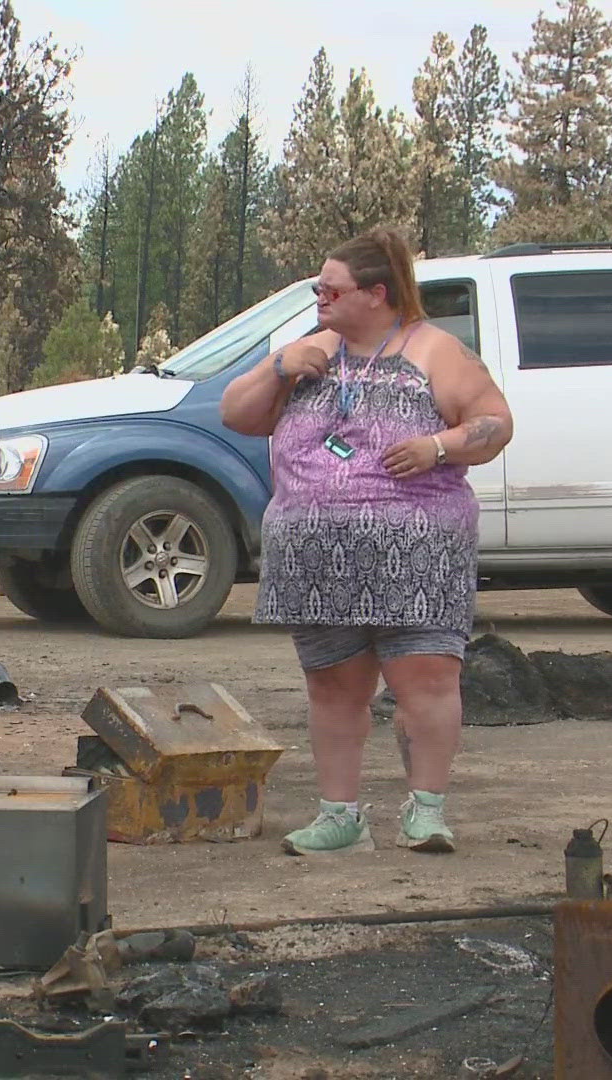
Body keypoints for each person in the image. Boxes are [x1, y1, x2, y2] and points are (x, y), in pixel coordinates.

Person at [219, 227, 513, 857]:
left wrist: (438, 446)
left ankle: (426, 811)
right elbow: (236, 414)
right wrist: (277, 367)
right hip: (316, 559)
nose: (319, 298)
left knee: (427, 681)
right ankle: (340, 818)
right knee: (332, 688)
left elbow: (494, 425)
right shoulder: (311, 352)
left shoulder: (436, 352)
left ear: (376, 293)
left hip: (418, 557)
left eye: (331, 289)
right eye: (318, 288)